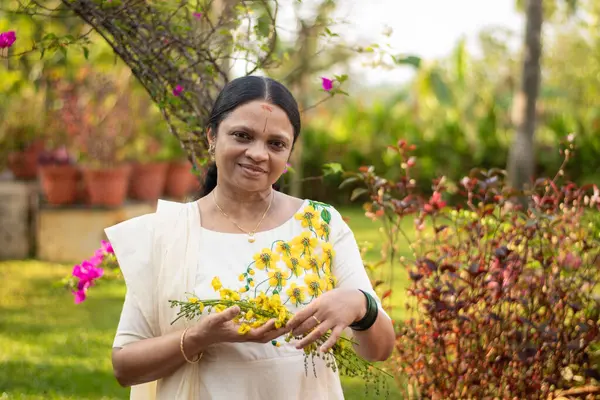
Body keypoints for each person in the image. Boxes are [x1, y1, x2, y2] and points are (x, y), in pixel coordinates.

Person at [105, 75, 395, 400]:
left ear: (289, 155)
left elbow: (380, 349)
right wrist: (200, 337)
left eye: (276, 144)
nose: (258, 154)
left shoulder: (320, 223)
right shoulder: (168, 232)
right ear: (212, 137)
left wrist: (360, 305)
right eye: (242, 135)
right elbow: (124, 366)